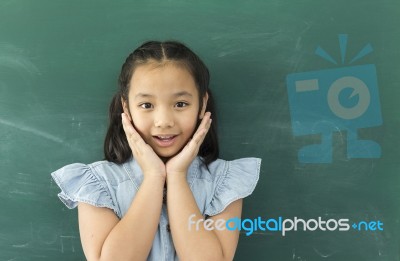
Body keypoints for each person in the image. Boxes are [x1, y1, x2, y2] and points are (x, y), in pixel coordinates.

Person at [51, 40, 261, 261]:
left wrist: (177, 176)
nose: (163, 121)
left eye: (180, 104)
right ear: (126, 107)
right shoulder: (97, 184)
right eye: (147, 105)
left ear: (202, 104)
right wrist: (153, 176)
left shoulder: (224, 183)